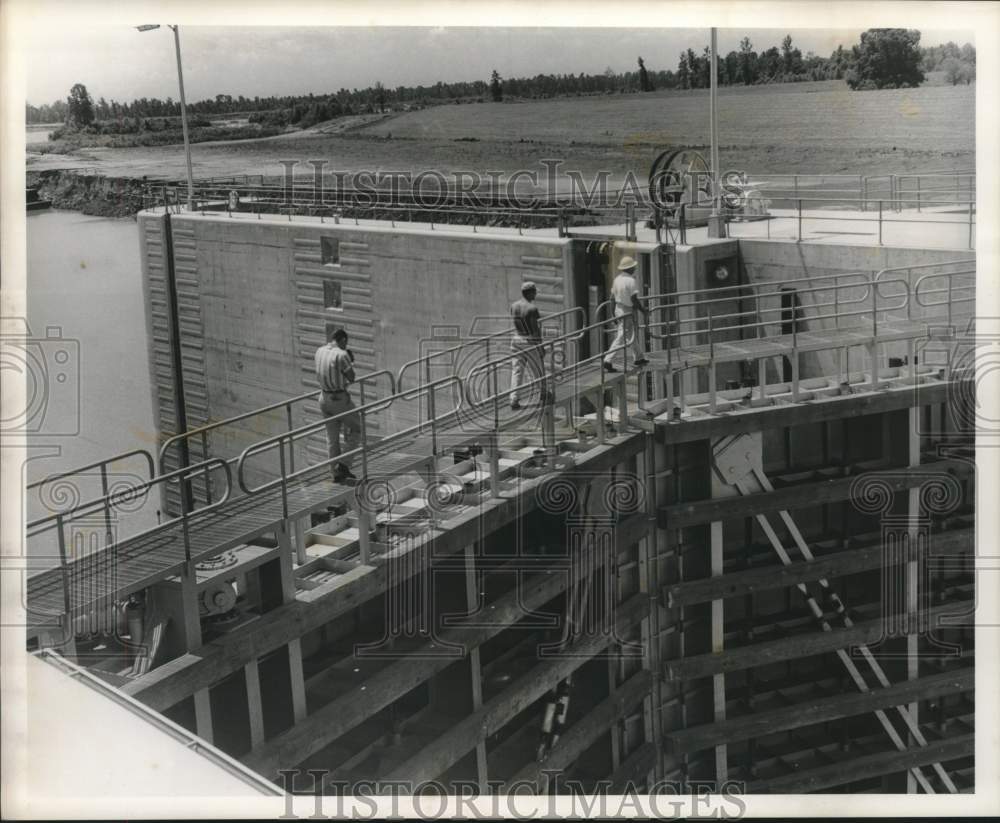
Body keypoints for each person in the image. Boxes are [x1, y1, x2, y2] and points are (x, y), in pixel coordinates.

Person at [314, 328, 361, 484]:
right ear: (342, 340)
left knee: (332, 438)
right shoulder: (341, 355)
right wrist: (350, 359)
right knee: (357, 428)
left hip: (323, 398)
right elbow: (352, 377)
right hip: (338, 399)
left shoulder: (319, 351)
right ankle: (344, 464)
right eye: (345, 342)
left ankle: (335, 473)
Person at [603, 256, 649, 372]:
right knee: (622, 336)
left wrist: (613, 314)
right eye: (633, 266)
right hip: (627, 309)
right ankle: (607, 360)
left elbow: (612, 298)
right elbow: (634, 299)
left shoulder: (617, 279)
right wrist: (643, 310)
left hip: (618, 309)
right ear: (629, 268)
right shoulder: (631, 281)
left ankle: (639, 357)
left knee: (630, 335)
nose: (635, 268)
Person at [509, 281, 545, 410]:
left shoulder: (514, 306)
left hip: (516, 338)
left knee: (517, 370)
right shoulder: (532, 308)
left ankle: (514, 398)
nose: (535, 294)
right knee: (537, 369)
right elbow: (535, 330)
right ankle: (543, 393)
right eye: (534, 292)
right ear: (529, 293)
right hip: (529, 341)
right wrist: (540, 347)